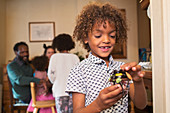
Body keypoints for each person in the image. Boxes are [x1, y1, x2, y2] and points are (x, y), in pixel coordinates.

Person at [65, 2, 147, 113]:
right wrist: (98, 105)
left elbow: (141, 105)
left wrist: (138, 81)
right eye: (98, 35)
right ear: (85, 37)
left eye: (112, 35)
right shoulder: (79, 71)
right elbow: (77, 111)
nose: (106, 40)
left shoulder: (122, 68)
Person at [48, 33, 80, 113]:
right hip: (73, 92)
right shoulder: (75, 57)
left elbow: (50, 75)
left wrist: (55, 82)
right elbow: (79, 75)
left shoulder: (54, 57)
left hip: (59, 90)